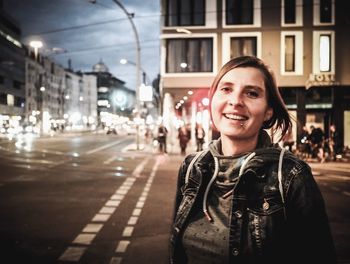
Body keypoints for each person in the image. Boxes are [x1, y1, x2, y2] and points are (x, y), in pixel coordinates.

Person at [169, 56, 336, 264]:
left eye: (251, 93)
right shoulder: (192, 167)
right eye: (226, 89)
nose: (236, 101)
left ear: (268, 112)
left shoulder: (292, 176)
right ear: (213, 100)